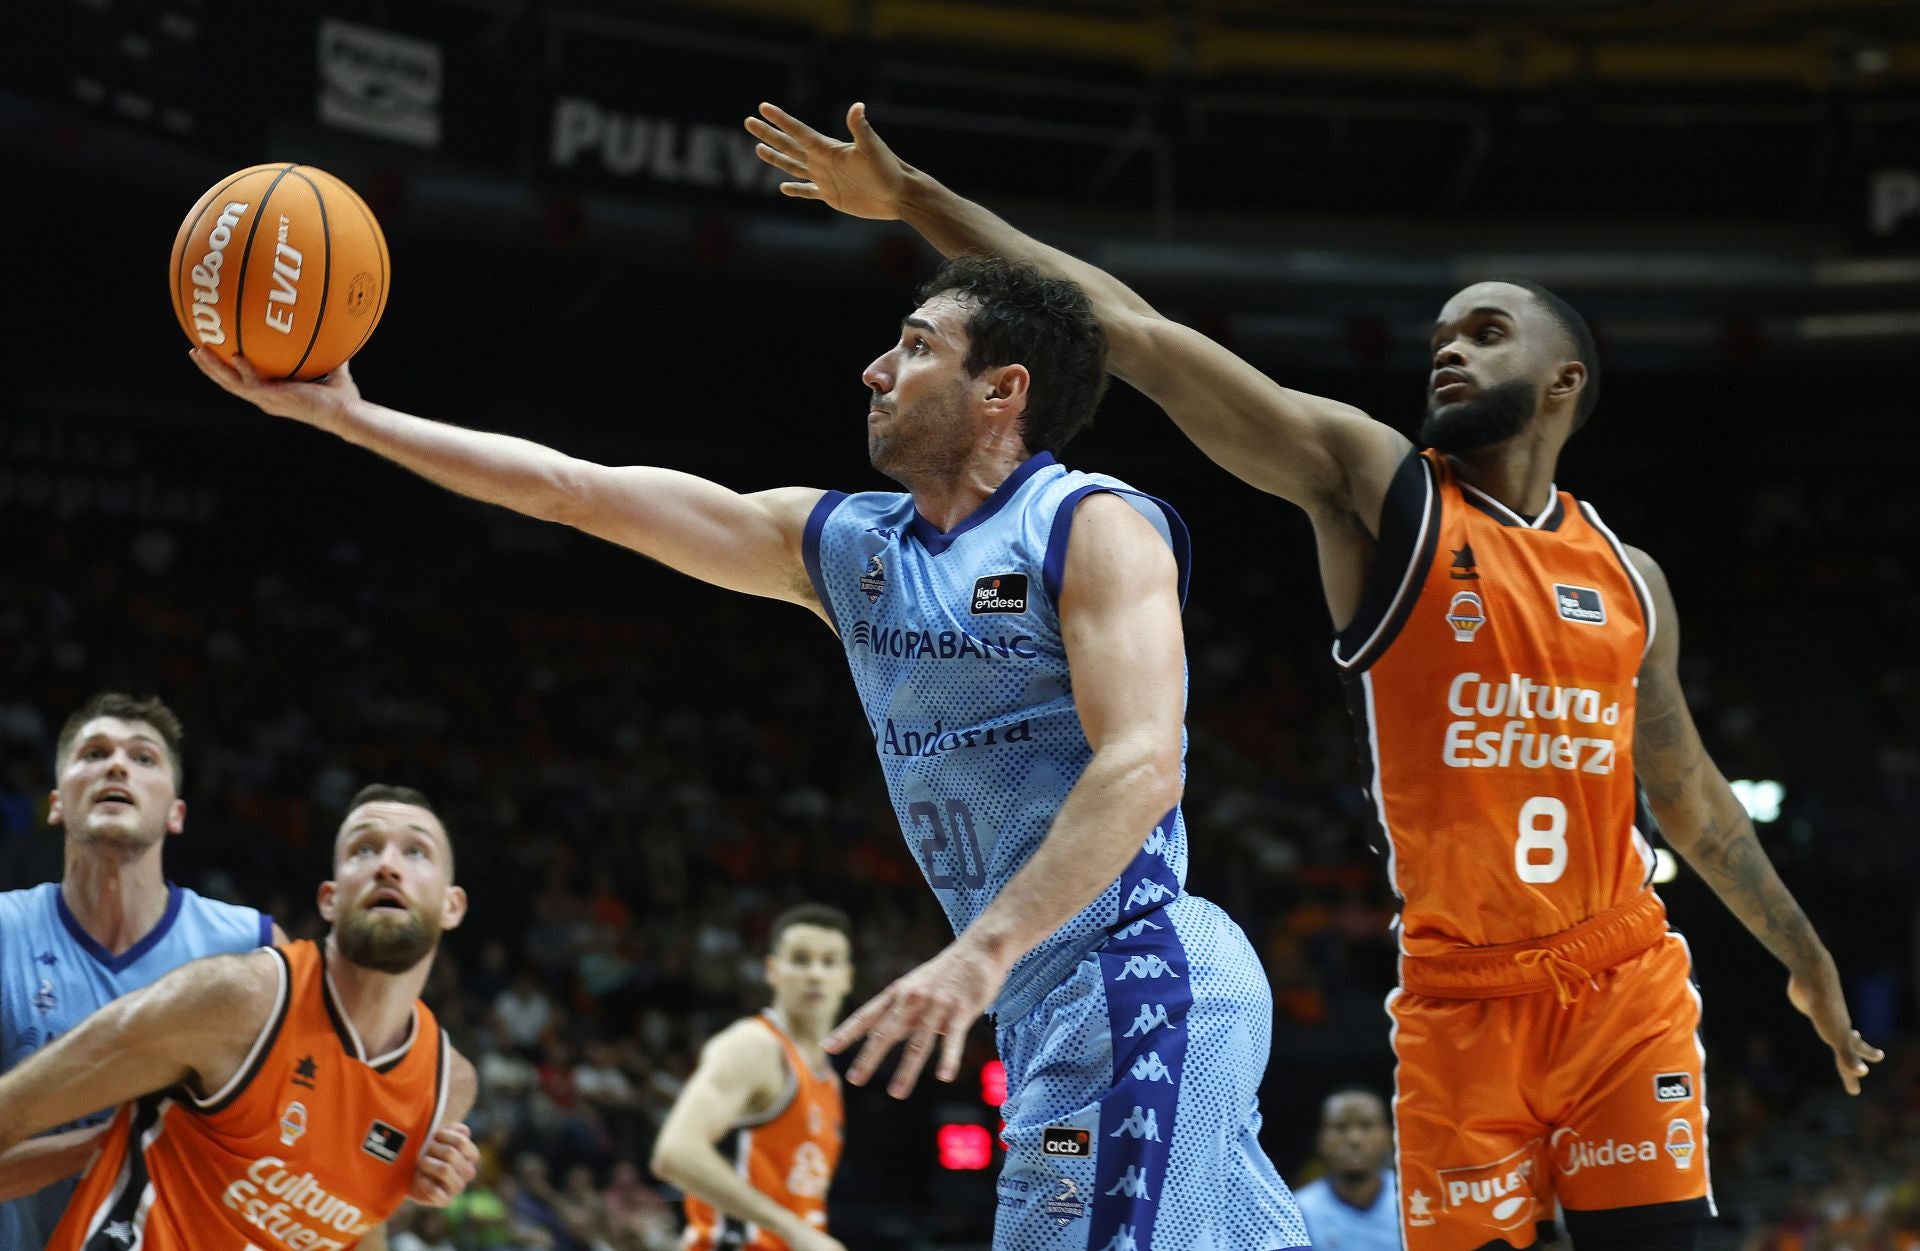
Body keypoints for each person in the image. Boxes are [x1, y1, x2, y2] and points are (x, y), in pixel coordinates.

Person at [743, 101, 1887, 1251]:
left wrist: (1807, 959)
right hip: (1462, 988)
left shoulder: (1631, 578)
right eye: (1442, 330)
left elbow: (1689, 797)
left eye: (1488, 331)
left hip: (1622, 973)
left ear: (1565, 381)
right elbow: (1126, 331)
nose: (1450, 346)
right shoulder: (1382, 492)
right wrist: (917, 202)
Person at [190, 249, 1309, 1251]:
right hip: (1050, 998)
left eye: (917, 348)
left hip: (1137, 972)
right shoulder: (844, 545)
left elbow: (1142, 765)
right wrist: (352, 419)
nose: (876, 369)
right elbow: (579, 495)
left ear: (1001, 393)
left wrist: (982, 952)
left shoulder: (1091, 524)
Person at [0, 784, 482, 1249]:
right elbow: (14, 1109)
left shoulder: (448, 1085)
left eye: (415, 852)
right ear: (329, 899)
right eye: (365, 849)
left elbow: (353, 1233)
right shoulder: (237, 1000)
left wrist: (401, 1188)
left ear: (452, 905)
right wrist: (106, 1141)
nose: (388, 867)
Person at [0, 692, 285, 1247]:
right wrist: (121, 1141)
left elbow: (305, 1140)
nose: (117, 765)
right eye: (95, 752)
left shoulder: (253, 950)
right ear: (56, 804)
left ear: (175, 813)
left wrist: (412, 1156)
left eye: (143, 758)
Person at [651, 903, 854, 1251]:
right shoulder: (754, 1046)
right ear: (773, 971)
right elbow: (675, 1152)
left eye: (829, 962)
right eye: (801, 960)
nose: (816, 974)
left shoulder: (826, 1077)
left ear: (847, 977)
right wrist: (793, 1230)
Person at [1293, 1088, 1399, 1251]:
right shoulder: (1299, 1211)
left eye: (1366, 1126)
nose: (1354, 1139)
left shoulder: (1411, 1201)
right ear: (1321, 1139)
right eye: (1340, 1127)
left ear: (1388, 1135)